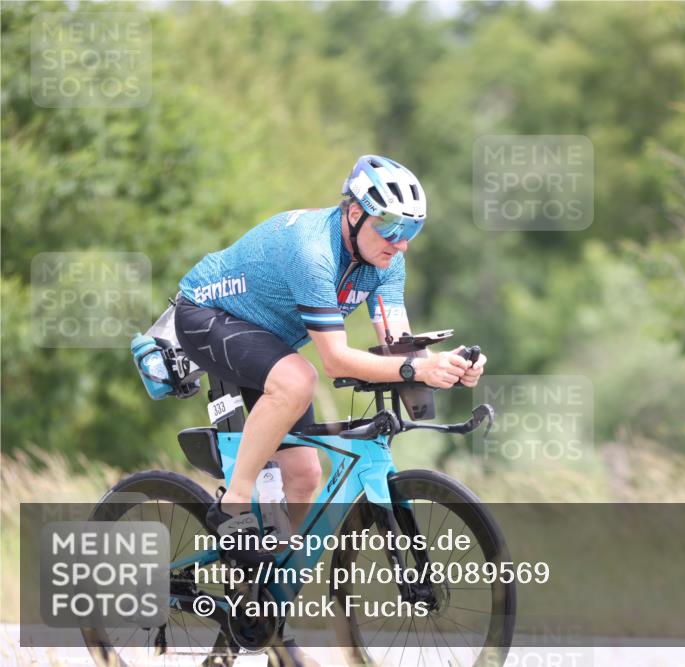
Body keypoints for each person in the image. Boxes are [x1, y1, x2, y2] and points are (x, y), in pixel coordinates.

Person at [175, 154, 486, 544]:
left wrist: (447, 368)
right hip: (206, 314)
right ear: (355, 212)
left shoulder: (386, 263)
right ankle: (232, 505)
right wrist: (418, 370)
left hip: (266, 337)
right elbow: (336, 362)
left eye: (413, 229)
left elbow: (398, 348)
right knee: (298, 379)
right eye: (391, 226)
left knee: (304, 476)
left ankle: (265, 589)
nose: (402, 243)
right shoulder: (313, 252)